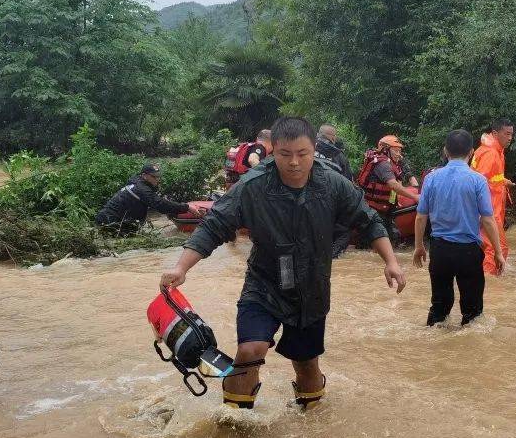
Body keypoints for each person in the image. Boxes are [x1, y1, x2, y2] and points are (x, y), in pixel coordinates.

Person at [159, 117, 406, 411]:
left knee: (306, 364)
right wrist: (181, 268)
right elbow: (214, 224)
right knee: (250, 350)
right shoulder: (252, 186)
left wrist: (391, 261)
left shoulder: (334, 184)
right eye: (284, 154)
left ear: (315, 150)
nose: (294, 163)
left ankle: (310, 427)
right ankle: (234, 425)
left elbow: (368, 221)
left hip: (312, 287)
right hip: (264, 283)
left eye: (302, 154)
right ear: (272, 151)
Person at [413, 129, 505, 326]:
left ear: (446, 151)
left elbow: (421, 217)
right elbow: (488, 220)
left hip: (440, 250)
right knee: (472, 313)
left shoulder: (431, 178)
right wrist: (498, 252)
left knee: (439, 308)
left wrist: (419, 246)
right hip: (468, 252)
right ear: (471, 152)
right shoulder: (477, 180)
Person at [95, 163, 204, 234]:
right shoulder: (142, 189)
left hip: (110, 220)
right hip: (110, 222)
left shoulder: (136, 181)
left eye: (158, 176)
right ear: (144, 175)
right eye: (154, 177)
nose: (157, 179)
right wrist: (187, 207)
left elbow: (155, 201)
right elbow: (159, 204)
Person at [471, 118, 514, 275]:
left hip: (488, 210)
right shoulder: (491, 153)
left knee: (486, 248)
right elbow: (478, 183)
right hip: (488, 212)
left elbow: (486, 178)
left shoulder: (493, 150)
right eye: (507, 134)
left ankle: (481, 277)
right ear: (495, 133)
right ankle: (489, 284)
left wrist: (503, 181)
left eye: (511, 134)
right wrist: (482, 215)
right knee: (498, 248)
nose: (510, 138)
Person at [356, 135, 420, 206]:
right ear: (385, 150)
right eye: (396, 151)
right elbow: (393, 185)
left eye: (399, 151)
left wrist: (394, 202)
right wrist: (415, 197)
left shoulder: (393, 163)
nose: (398, 154)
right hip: (372, 208)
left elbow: (397, 186)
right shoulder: (383, 164)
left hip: (384, 205)